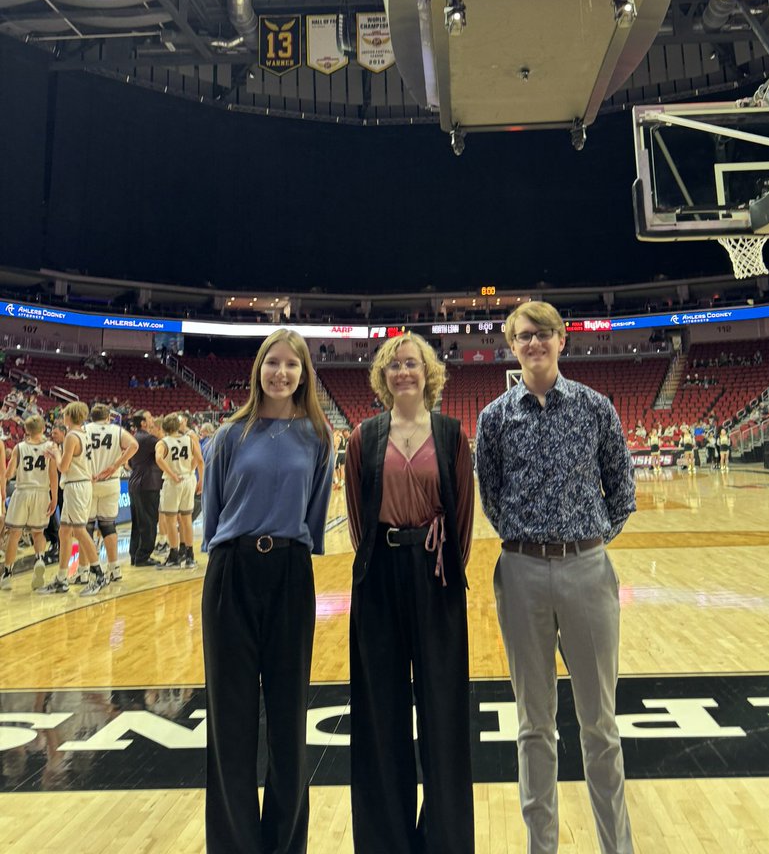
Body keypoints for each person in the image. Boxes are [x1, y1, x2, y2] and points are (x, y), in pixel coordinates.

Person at [476, 301, 636, 854]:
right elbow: (491, 497)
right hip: (520, 571)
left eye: (543, 333)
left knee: (600, 726)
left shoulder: (595, 407)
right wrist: (532, 544)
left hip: (587, 569)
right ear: (512, 345)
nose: (534, 342)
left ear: (562, 340)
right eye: (523, 335)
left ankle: (618, 846)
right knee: (533, 726)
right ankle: (540, 848)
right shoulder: (493, 418)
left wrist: (585, 542)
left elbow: (623, 490)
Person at [201, 329, 333, 854]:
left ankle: (284, 845)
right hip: (231, 572)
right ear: (259, 369)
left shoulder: (319, 437)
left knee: (287, 717)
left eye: (291, 365)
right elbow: (212, 515)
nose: (281, 373)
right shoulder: (230, 433)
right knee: (230, 721)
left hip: (290, 572)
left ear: (304, 374)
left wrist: (285, 550)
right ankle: (235, 845)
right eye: (272, 363)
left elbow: (314, 516)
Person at [346, 333, 475, 854]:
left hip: (436, 573)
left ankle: (444, 840)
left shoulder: (449, 434)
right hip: (379, 577)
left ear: (429, 374)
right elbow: (358, 516)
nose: (404, 372)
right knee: (381, 711)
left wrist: (440, 563)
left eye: (413, 365)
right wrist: (381, 561)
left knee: (443, 709)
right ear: (384, 375)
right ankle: (387, 840)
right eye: (395, 365)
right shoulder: (364, 436)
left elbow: (462, 514)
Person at [39, 400, 106, 596]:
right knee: (65, 531)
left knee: (79, 530)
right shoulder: (85, 433)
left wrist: (55, 453)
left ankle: (98, 575)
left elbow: (63, 467)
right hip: (79, 484)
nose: (63, 417)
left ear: (70, 416)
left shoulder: (71, 437)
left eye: (65, 414)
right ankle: (61, 578)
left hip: (76, 485)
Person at [0, 415, 58, 591]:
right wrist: (54, 497)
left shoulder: (19, 447)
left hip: (22, 492)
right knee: (38, 533)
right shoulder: (50, 447)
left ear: (26, 430)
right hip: (41, 493)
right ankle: (39, 559)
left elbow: (9, 473)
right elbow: (53, 475)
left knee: (14, 534)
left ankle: (7, 574)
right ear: (42, 429)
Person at [84, 403, 138, 582]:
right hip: (111, 481)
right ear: (108, 417)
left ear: (91, 417)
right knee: (108, 525)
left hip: (89, 481)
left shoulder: (84, 429)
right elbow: (134, 445)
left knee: (87, 528)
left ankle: (85, 571)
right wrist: (117, 464)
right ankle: (114, 567)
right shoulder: (116, 430)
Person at [155, 413, 203, 569]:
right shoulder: (189, 439)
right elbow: (200, 460)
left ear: (164, 427)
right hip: (188, 479)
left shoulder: (163, 442)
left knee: (170, 519)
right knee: (186, 519)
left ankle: (174, 556)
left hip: (173, 482)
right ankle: (190, 557)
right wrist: (199, 477)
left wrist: (171, 474)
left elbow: (159, 459)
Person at [128, 411, 163, 566]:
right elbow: (166, 448)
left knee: (137, 523)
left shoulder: (134, 438)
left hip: (135, 483)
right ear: (142, 423)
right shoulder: (149, 439)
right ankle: (143, 556)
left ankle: (134, 554)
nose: (152, 419)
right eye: (149, 417)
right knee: (149, 522)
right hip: (148, 484)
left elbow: (128, 463)